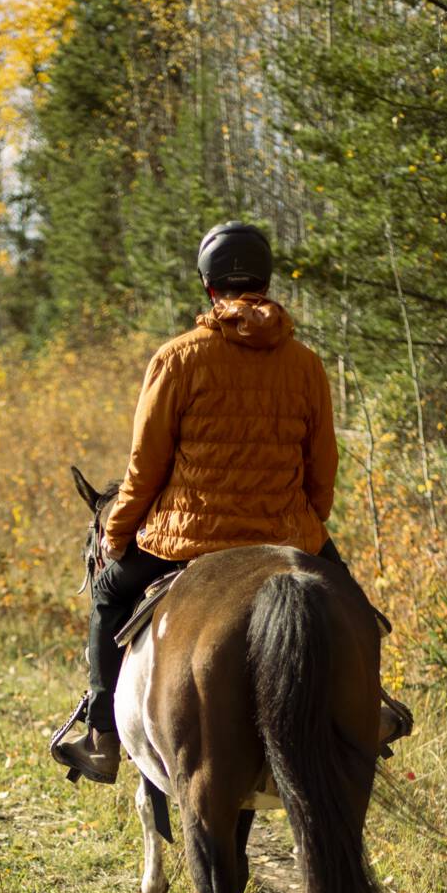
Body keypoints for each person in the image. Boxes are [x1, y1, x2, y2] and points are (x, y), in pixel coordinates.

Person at [52, 220, 410, 785]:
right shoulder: (306, 364)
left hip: (186, 539)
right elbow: (322, 475)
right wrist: (305, 522)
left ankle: (100, 734)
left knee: (106, 595)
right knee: (355, 613)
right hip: (286, 534)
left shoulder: (177, 359)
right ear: (263, 282)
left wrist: (118, 535)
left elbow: (144, 470)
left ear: (208, 285)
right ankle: (372, 710)